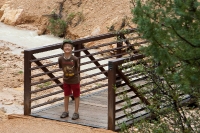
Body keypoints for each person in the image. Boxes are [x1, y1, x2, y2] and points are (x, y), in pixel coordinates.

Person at [58, 39, 80, 120]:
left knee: (76, 95)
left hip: (74, 80)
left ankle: (76, 112)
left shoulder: (75, 59)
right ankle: (66, 111)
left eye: (69, 46)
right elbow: (61, 67)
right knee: (66, 95)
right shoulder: (60, 58)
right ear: (63, 48)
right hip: (66, 80)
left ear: (72, 48)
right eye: (65, 46)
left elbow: (77, 68)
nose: (67, 48)